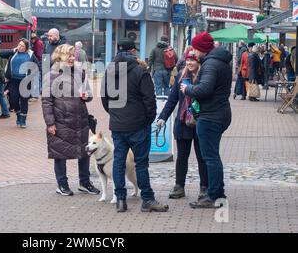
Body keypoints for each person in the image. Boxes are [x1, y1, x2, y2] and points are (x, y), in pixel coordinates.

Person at [101, 40, 169, 213]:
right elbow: (149, 100)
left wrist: (115, 114)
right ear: (132, 51)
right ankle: (147, 199)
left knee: (118, 161)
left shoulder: (109, 71)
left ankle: (121, 199)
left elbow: (104, 99)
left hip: (118, 124)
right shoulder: (140, 71)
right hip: (138, 124)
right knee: (141, 163)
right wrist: (148, 119)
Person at [180, 32, 232, 208]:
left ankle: (214, 195)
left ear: (202, 48)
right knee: (212, 155)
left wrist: (188, 89)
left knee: (210, 157)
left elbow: (205, 89)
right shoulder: (221, 61)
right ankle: (218, 192)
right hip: (220, 113)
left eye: (195, 48)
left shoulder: (210, 64)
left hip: (211, 115)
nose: (194, 51)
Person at [42, 44, 100, 196]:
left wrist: (86, 95)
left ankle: (85, 182)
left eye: (73, 55)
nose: (73, 58)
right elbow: (46, 100)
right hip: (61, 120)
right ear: (60, 56)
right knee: (60, 153)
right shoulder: (51, 75)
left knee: (84, 152)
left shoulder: (79, 72)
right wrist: (50, 123)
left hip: (80, 119)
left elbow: (89, 93)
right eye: (69, 55)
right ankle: (62, 184)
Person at [156, 47, 208, 201]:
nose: (190, 62)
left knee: (202, 157)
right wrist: (162, 118)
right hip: (183, 121)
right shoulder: (180, 76)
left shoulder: (205, 76)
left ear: (199, 61)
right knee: (182, 157)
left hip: (199, 121)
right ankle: (179, 186)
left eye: (193, 60)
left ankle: (204, 187)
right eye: (188, 60)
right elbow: (172, 100)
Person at [0, 39, 39, 128]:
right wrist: (12, 50)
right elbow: (0, 54)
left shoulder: (30, 55)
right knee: (13, 100)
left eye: (22, 46)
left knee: (24, 100)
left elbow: (37, 66)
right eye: (19, 45)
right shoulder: (14, 53)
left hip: (25, 81)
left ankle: (23, 120)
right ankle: (18, 113)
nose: (20, 47)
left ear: (26, 48)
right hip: (13, 80)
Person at [30, 33, 44, 100]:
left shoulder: (37, 43)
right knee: (38, 78)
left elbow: (38, 54)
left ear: (33, 39)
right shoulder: (38, 42)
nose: (31, 41)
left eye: (31, 39)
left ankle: (36, 95)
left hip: (37, 62)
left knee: (36, 79)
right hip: (39, 62)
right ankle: (38, 92)